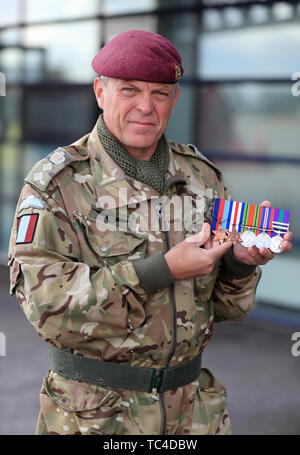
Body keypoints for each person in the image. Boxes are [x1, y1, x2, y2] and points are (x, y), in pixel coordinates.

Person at [8, 30, 292, 436]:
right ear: (100, 91)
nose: (146, 106)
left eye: (160, 93)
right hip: (95, 417)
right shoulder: (57, 184)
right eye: (129, 90)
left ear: (175, 100)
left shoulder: (201, 178)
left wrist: (238, 263)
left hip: (193, 414)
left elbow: (226, 308)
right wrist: (161, 270)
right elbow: (44, 306)